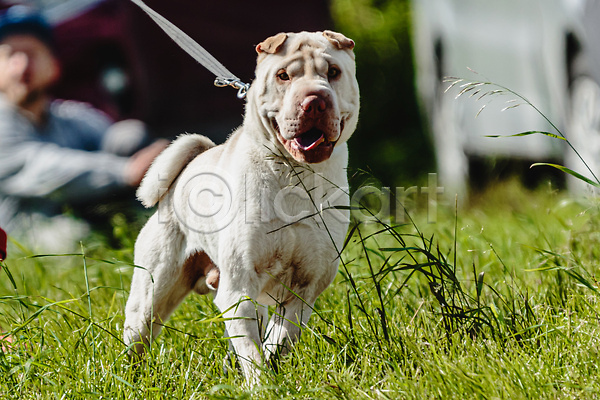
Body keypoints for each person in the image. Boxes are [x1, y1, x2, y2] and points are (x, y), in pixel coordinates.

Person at [0, 6, 166, 251]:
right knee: (75, 237)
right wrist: (124, 171)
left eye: (32, 54)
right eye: (11, 55)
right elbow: (38, 167)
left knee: (130, 136)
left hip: (83, 209)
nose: (23, 64)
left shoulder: (70, 115)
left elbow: (120, 140)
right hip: (25, 230)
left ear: (54, 67)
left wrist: (163, 153)